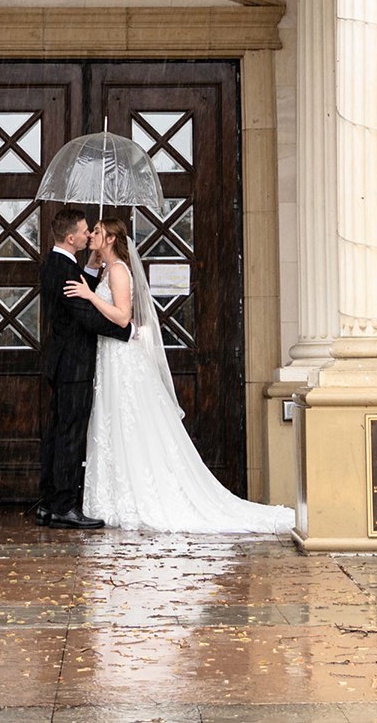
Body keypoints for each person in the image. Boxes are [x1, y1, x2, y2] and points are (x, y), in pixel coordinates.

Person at [72, 214, 297, 535]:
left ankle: (137, 496)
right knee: (113, 422)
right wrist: (94, 270)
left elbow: (122, 318)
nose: (91, 235)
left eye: (97, 231)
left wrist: (91, 296)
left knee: (128, 421)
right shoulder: (107, 269)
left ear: (110, 238)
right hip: (109, 355)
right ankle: (111, 497)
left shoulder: (120, 270)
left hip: (121, 357)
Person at [37, 204, 128, 529]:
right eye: (86, 229)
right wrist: (126, 330)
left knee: (58, 432)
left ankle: (48, 503)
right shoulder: (63, 269)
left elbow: (80, 293)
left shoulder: (61, 264)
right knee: (70, 434)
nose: (90, 233)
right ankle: (63, 505)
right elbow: (84, 315)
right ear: (72, 236)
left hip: (63, 362)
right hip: (73, 365)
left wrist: (90, 268)